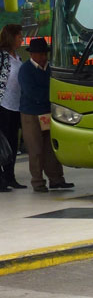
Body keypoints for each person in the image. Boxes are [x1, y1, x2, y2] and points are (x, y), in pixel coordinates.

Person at [18, 37, 74, 193]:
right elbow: (31, 92)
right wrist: (52, 95)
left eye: (44, 54)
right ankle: (38, 182)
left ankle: (57, 179)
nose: (43, 57)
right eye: (40, 54)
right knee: (35, 149)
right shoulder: (25, 70)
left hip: (49, 112)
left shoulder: (51, 68)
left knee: (51, 148)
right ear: (32, 55)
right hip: (31, 114)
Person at [0, 24, 25, 190]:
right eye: (19, 37)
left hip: (16, 105)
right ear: (11, 37)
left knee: (12, 142)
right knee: (2, 143)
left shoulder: (18, 57)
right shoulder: (2, 57)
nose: (21, 39)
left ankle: (10, 176)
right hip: (2, 104)